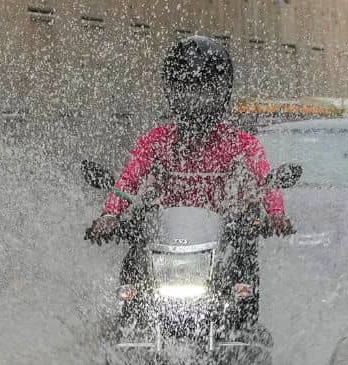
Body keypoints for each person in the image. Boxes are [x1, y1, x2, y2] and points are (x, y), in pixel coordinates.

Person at [86, 35, 295, 244]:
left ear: (223, 92)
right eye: (185, 92)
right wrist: (110, 215)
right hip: (164, 241)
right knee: (134, 260)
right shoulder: (156, 140)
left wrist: (276, 214)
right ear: (171, 92)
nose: (195, 103)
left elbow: (265, 180)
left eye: (205, 93)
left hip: (224, 241)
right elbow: (128, 180)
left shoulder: (240, 142)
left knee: (244, 253)